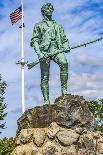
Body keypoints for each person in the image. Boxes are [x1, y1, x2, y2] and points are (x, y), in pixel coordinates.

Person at [30, 3, 70, 104]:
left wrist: (66, 45)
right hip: (44, 51)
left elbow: (64, 39)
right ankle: (46, 100)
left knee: (64, 63)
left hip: (56, 49)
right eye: (48, 9)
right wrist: (39, 53)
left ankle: (64, 90)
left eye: (51, 8)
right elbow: (34, 41)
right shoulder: (38, 25)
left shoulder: (58, 25)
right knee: (44, 76)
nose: (50, 10)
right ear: (43, 12)